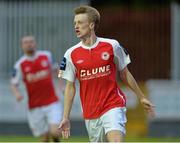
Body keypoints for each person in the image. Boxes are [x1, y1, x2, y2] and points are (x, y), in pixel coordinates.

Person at [58, 5, 155, 142]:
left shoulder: (112, 45)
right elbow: (70, 86)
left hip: (113, 104)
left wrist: (141, 97)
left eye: (80, 22)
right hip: (90, 111)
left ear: (91, 25)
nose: (76, 26)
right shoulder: (71, 54)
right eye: (74, 23)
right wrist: (65, 117)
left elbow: (125, 73)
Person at [10, 36, 62, 142]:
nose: (29, 44)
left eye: (31, 42)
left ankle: (56, 138)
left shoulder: (46, 56)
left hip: (52, 102)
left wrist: (62, 85)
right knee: (45, 137)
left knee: (55, 131)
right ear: (22, 46)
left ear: (35, 43)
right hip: (35, 106)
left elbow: (57, 71)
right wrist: (17, 94)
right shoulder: (20, 64)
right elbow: (13, 83)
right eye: (26, 42)